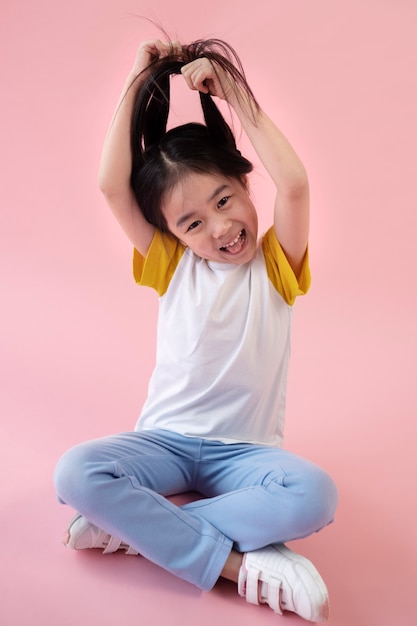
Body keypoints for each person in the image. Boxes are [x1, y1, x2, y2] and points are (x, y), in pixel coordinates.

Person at [54, 38, 338, 622]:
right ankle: (238, 567)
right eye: (193, 223)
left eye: (225, 199)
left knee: (316, 494)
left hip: (246, 456)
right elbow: (112, 186)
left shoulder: (276, 265)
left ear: (243, 181)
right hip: (165, 443)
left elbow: (296, 185)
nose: (221, 229)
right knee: (76, 472)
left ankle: (139, 530)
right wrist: (138, 79)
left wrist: (231, 90)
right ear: (173, 236)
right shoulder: (174, 266)